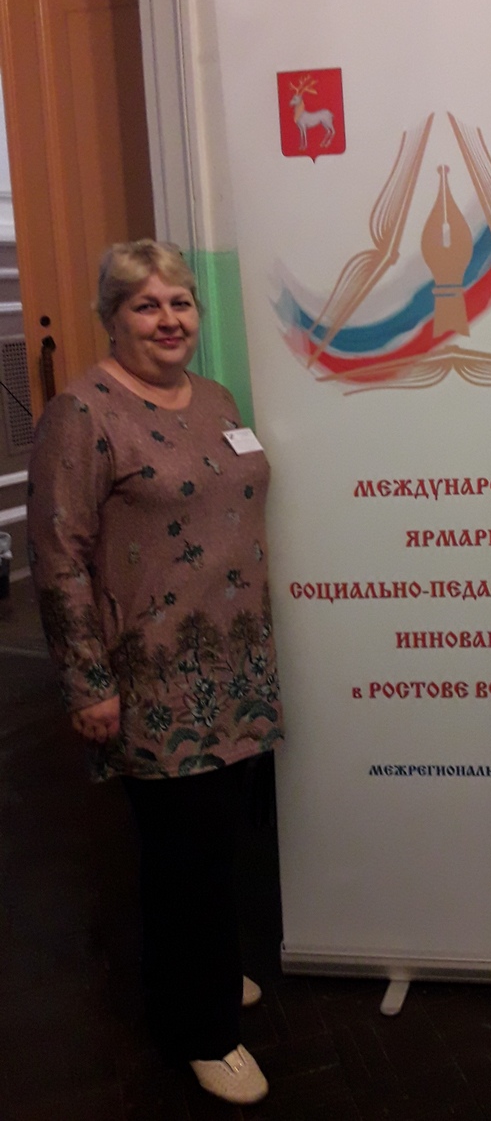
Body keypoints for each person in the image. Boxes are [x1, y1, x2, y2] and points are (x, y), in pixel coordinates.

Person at [27, 241, 283, 1105]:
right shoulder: (82, 413)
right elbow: (58, 555)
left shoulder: (215, 399)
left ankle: (199, 972)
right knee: (183, 857)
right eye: (146, 304)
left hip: (236, 661)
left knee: (220, 844)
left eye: (181, 301)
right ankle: (200, 1030)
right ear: (112, 316)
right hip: (155, 678)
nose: (169, 319)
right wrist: (87, 680)